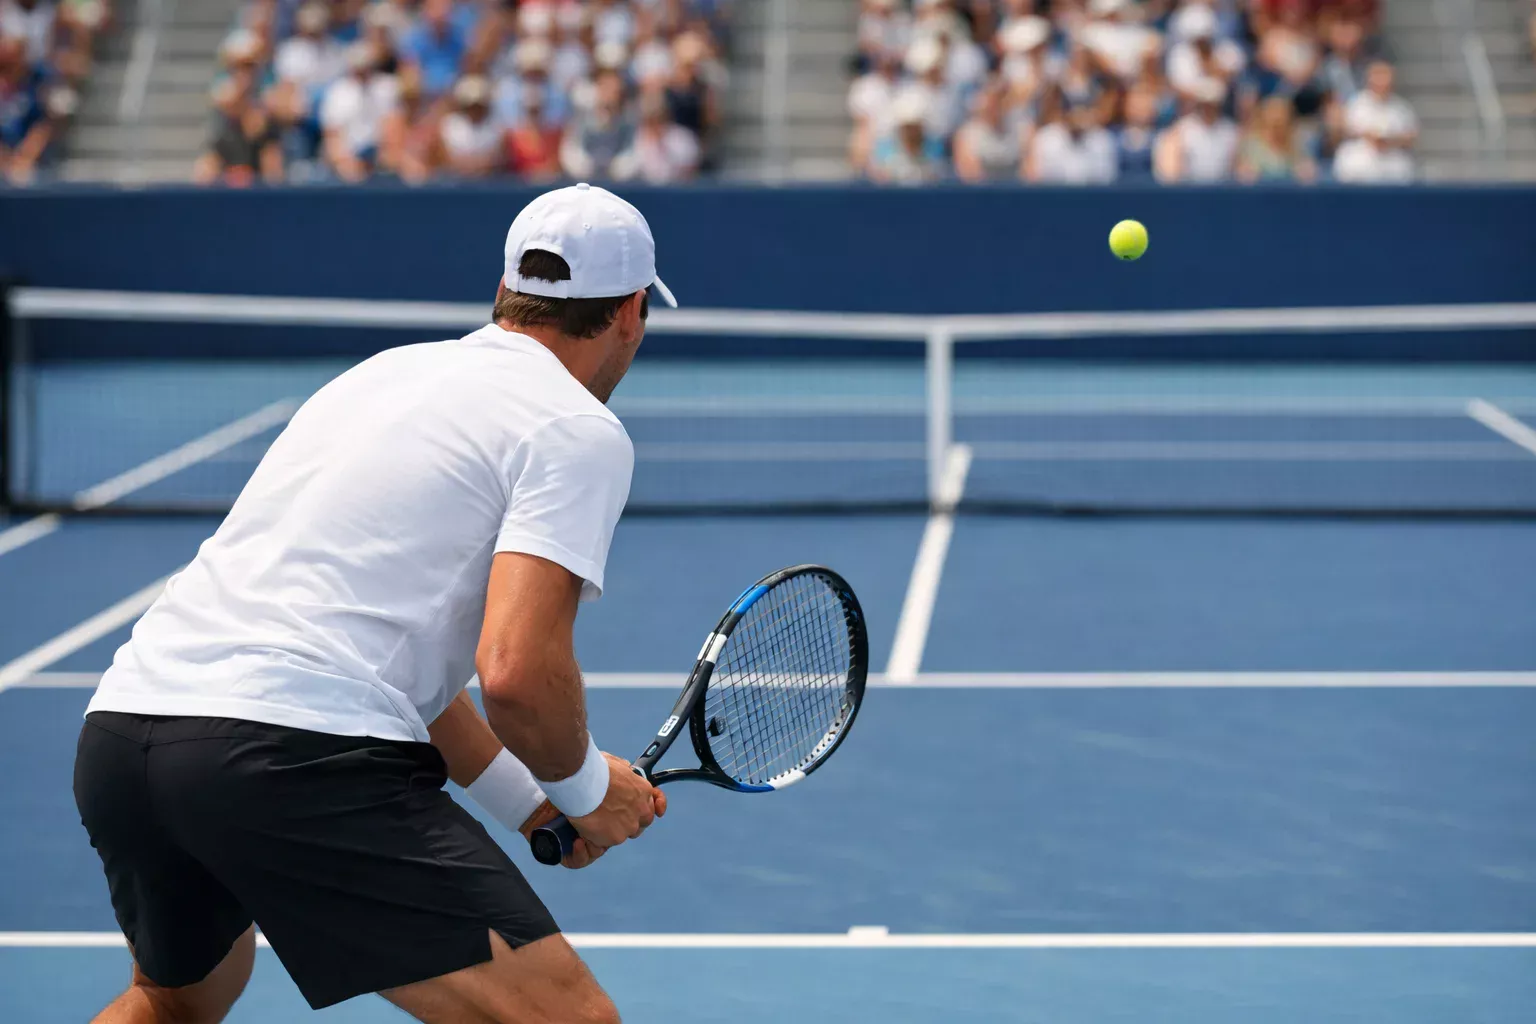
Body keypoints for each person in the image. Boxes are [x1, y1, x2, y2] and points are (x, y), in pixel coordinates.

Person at [74, 183, 679, 1024]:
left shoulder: (378, 376)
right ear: (632, 313)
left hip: (128, 735)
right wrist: (584, 790)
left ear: (506, 292)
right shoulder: (575, 429)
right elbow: (515, 674)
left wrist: (530, 802)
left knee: (170, 1004)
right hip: (287, 759)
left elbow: (383, 663)